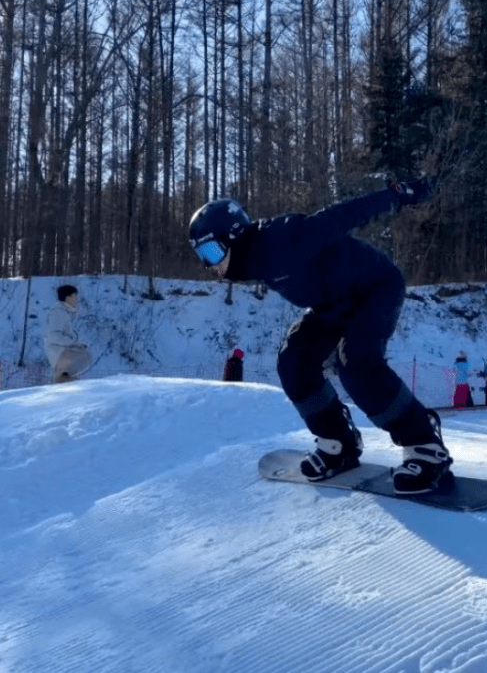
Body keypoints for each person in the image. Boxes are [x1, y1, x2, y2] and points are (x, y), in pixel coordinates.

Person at [188, 179, 453, 495]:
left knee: (356, 364)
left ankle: (425, 445)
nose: (209, 265)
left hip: (375, 288)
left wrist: (396, 195)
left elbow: (344, 215)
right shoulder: (251, 258)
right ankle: (338, 441)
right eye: (201, 254)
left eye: (210, 251)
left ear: (233, 237)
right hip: (333, 302)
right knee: (294, 362)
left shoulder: (284, 237)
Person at [44, 284, 92, 383]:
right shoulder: (58, 313)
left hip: (60, 353)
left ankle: (66, 385)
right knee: (84, 355)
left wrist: (76, 344)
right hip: (59, 353)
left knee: (66, 381)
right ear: (67, 298)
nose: (76, 300)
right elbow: (53, 336)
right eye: (74, 297)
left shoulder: (63, 313)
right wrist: (72, 344)